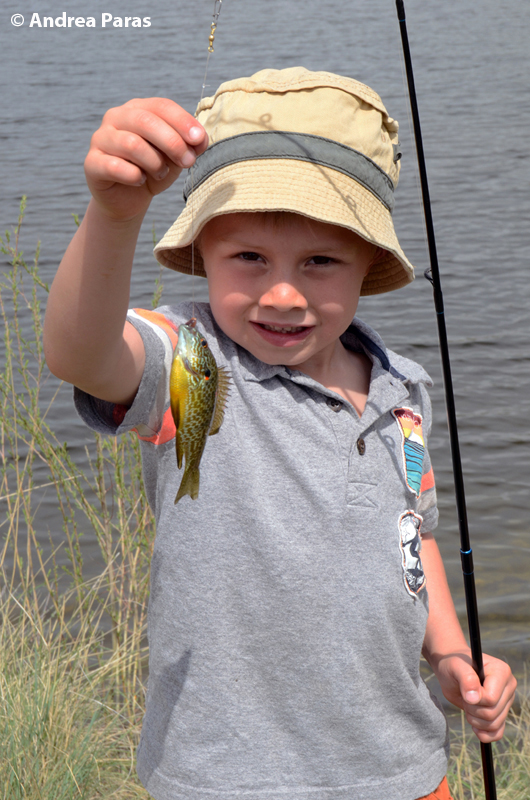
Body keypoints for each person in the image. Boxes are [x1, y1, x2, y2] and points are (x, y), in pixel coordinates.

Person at [43, 67, 516, 800]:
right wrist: (113, 214)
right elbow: (82, 353)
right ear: (204, 255)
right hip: (226, 779)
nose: (283, 293)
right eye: (249, 258)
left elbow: (412, 534)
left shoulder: (404, 391)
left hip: (405, 771)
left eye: (320, 262)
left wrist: (453, 655)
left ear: (370, 267)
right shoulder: (191, 359)